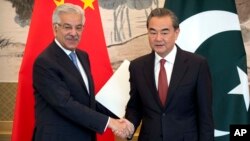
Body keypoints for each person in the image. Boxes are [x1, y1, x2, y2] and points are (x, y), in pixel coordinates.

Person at [32, 3, 133, 141]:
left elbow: (87, 102)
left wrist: (117, 119)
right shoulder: (45, 62)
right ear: (55, 28)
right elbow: (66, 104)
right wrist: (109, 122)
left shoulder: (82, 56)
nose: (74, 33)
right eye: (67, 27)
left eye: (78, 28)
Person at [124, 8, 214, 141]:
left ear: (176, 33)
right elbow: (135, 107)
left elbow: (205, 115)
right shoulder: (137, 67)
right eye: (152, 32)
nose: (158, 38)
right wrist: (128, 126)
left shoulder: (197, 65)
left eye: (164, 32)